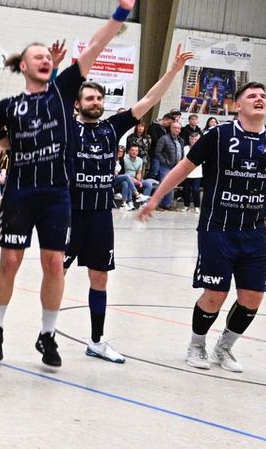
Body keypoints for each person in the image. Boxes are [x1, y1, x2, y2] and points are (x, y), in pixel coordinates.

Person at [0, 0, 140, 369]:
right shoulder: (6, 107)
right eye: (36, 56)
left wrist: (121, 12)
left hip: (56, 195)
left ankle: (47, 335)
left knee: (54, 264)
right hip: (20, 193)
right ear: (23, 66)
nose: (44, 59)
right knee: (9, 262)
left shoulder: (63, 90)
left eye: (47, 56)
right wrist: (13, 147)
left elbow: (96, 45)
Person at [134, 81, 266, 372]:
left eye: (263, 96)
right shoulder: (219, 135)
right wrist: (154, 199)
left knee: (253, 296)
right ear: (238, 105)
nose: (259, 99)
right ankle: (197, 345)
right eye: (252, 96)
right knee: (215, 294)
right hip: (217, 227)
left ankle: (225, 347)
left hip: (254, 230)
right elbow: (183, 168)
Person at [66, 45, 192, 364]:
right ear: (77, 104)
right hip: (68, 214)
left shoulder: (111, 127)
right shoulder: (66, 127)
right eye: (89, 98)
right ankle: (46, 334)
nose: (95, 102)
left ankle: (96, 341)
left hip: (100, 216)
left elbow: (148, 99)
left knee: (100, 278)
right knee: (56, 274)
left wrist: (173, 71)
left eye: (99, 98)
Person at [149, 113, 183, 210]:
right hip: (165, 166)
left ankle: (166, 204)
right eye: (175, 128)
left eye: (178, 128)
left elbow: (181, 152)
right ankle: (156, 203)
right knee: (163, 185)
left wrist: (180, 161)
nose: (177, 130)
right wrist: (165, 161)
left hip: (176, 166)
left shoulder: (181, 140)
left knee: (171, 185)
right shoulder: (164, 138)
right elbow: (157, 152)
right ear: (171, 128)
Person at [117, 143, 146, 207]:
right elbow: (122, 173)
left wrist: (139, 180)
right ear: (129, 151)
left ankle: (143, 203)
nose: (134, 152)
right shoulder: (123, 159)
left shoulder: (121, 160)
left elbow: (139, 172)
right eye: (132, 150)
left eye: (136, 151)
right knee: (128, 180)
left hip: (129, 178)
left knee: (148, 183)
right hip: (119, 178)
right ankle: (135, 197)